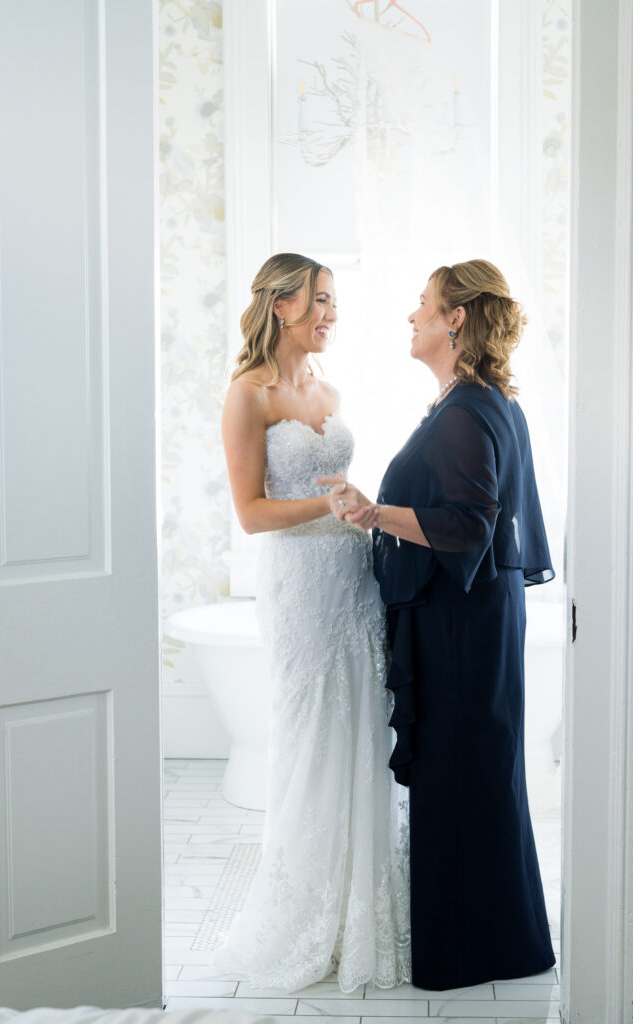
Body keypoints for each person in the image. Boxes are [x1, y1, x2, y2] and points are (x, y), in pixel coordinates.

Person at [320, 259, 555, 991]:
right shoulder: (479, 402)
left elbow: (467, 529)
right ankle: (502, 942)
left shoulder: (466, 411)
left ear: (456, 319)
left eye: (422, 305)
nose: (411, 316)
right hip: (474, 619)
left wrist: (370, 512)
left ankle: (471, 953)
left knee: (464, 777)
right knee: (479, 776)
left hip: (462, 628)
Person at [213, 252, 410, 993]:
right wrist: (329, 508)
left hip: (354, 582)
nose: (331, 313)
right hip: (300, 591)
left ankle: (365, 906)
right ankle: (304, 913)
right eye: (320, 300)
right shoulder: (248, 395)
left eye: (333, 302)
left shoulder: (329, 387)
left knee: (364, 729)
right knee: (311, 735)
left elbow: (343, 492)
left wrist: (359, 508)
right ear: (281, 306)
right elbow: (252, 513)